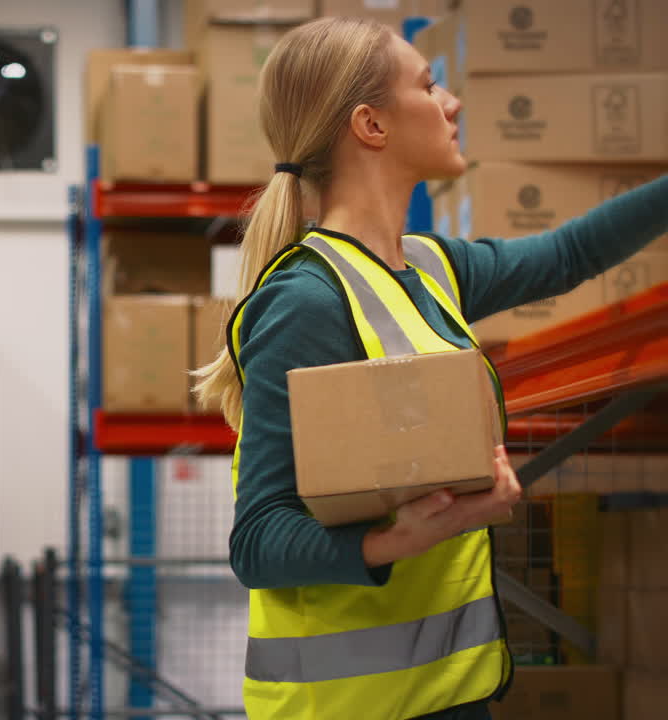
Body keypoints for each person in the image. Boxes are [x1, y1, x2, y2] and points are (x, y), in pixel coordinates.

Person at [192, 17, 668, 720]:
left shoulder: (430, 267)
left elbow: (568, 256)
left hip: (450, 697)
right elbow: (258, 541)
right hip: (352, 709)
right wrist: (406, 537)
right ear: (371, 126)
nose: (453, 103)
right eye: (428, 85)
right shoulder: (307, 302)